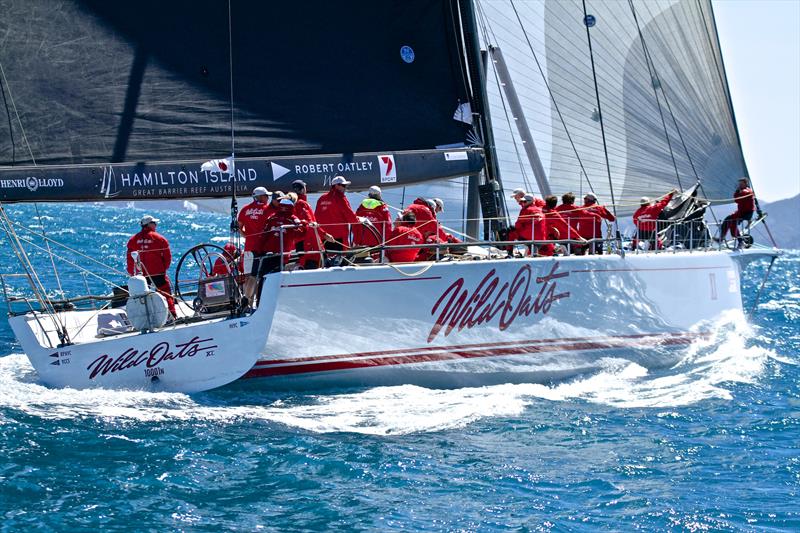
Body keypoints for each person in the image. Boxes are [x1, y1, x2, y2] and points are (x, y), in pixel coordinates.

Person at [126, 215, 176, 317]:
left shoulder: (133, 240)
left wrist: (132, 272)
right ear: (149, 224)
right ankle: (172, 315)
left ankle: (146, 317)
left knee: (142, 297)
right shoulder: (160, 239)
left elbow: (130, 259)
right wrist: (163, 268)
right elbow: (167, 257)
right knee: (165, 293)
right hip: (158, 273)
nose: (156, 225)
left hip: (141, 275)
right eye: (154, 223)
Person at [237, 186, 272, 304]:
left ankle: (247, 303)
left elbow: (238, 227)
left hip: (248, 247)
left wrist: (247, 236)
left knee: (248, 277)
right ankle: (257, 303)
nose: (268, 198)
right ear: (260, 197)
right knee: (260, 277)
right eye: (266, 195)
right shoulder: (267, 209)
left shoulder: (245, 209)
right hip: (261, 248)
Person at [291, 179, 332, 269]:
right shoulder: (302, 204)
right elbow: (311, 223)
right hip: (309, 241)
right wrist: (324, 235)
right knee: (316, 262)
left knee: (304, 262)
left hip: (300, 241)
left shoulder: (293, 204)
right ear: (302, 190)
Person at [315, 175, 360, 252]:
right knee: (341, 261)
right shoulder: (341, 199)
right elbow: (351, 217)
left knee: (326, 260)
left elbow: (315, 217)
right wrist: (359, 220)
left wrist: (322, 233)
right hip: (339, 238)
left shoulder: (322, 198)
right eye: (343, 185)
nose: (345, 188)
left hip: (325, 237)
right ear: (336, 186)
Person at [719, 178, 757, 244]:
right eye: (739, 184)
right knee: (730, 224)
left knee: (729, 221)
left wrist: (740, 192)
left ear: (746, 184)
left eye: (742, 184)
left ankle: (723, 239)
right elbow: (737, 200)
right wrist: (737, 191)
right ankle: (739, 241)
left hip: (745, 213)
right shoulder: (742, 191)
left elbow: (740, 198)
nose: (740, 185)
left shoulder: (747, 191)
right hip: (740, 212)